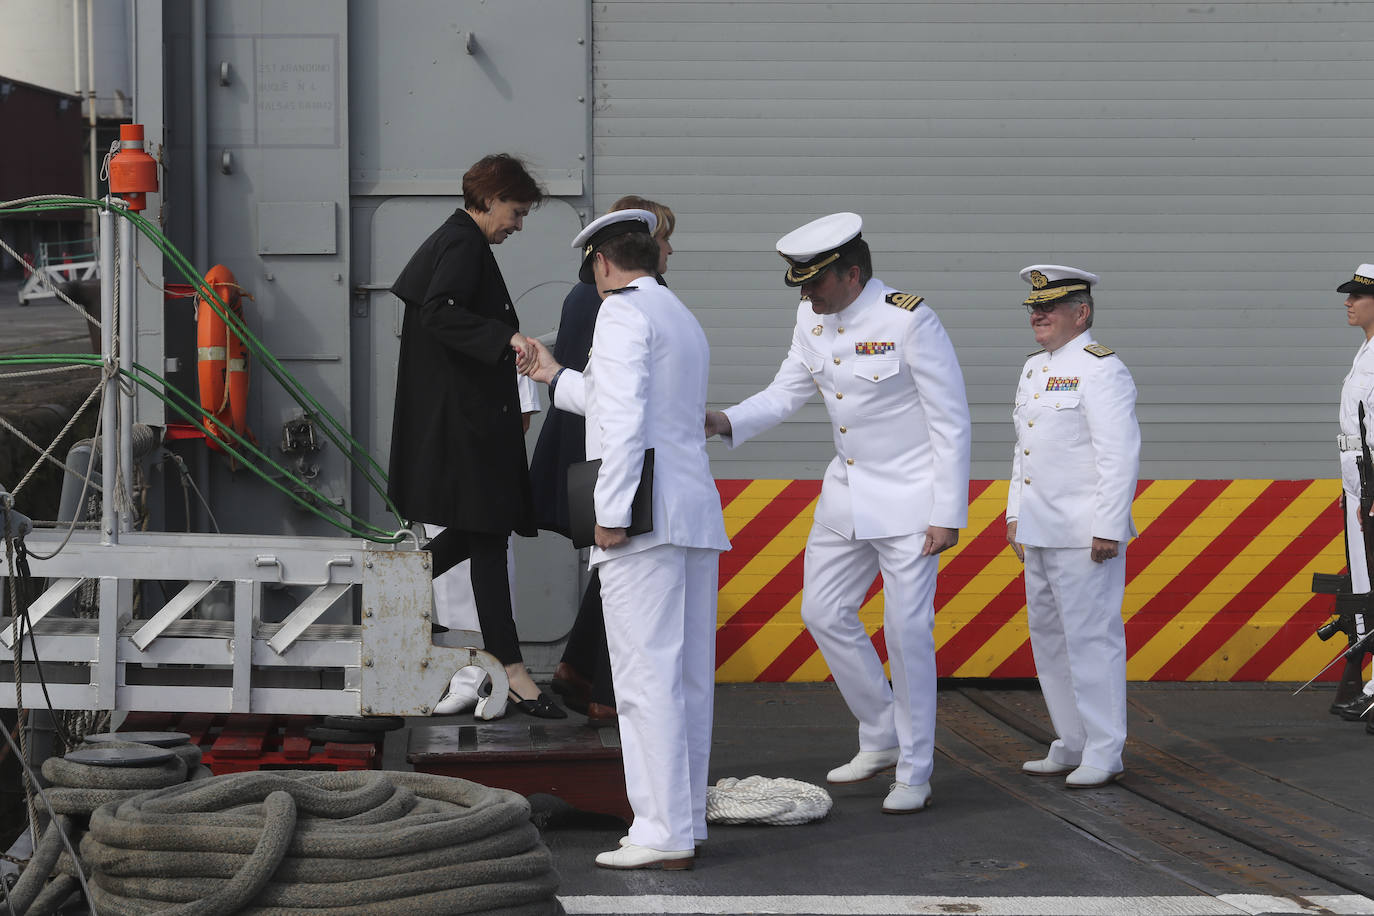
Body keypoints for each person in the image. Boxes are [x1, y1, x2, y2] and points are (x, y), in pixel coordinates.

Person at [705, 212, 971, 815]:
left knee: (907, 636)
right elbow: (787, 390)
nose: (805, 293)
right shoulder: (811, 318)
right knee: (822, 611)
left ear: (851, 274)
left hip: (911, 504)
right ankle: (880, 733)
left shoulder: (909, 320)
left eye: (814, 281)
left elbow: (950, 420)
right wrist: (726, 420)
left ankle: (915, 768)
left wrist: (947, 511)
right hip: (846, 497)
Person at [522, 209, 729, 870]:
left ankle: (659, 831)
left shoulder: (619, 313)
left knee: (644, 679)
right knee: (687, 678)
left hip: (644, 518)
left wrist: (609, 511)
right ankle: (685, 820)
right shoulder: (675, 313)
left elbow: (621, 418)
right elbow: (621, 398)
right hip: (692, 515)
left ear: (600, 263)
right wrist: (553, 374)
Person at [387, 152, 563, 719]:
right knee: (486, 534)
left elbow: (437, 314)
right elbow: (440, 313)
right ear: (488, 199)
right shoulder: (463, 243)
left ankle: (386, 597)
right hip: (465, 430)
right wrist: (507, 338)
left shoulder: (456, 239)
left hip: (459, 426)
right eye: (516, 211)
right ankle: (511, 670)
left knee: (481, 535)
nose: (518, 223)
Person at [530, 195, 677, 725]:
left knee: (611, 575)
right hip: (610, 464)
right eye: (664, 240)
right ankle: (609, 696)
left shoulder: (589, 297)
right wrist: (611, 508)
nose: (669, 252)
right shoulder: (623, 302)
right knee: (630, 585)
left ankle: (576, 670)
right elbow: (618, 406)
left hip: (590, 459)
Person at [1005, 264, 1140, 788]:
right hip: (1039, 529)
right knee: (1050, 640)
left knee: (1091, 639)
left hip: (1085, 534)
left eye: (1050, 307)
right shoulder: (1035, 369)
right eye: (1035, 308)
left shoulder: (1102, 368)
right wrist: (1015, 512)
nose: (1038, 315)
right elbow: (1026, 449)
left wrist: (1108, 525)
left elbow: (1118, 454)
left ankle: (1105, 751)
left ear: (1080, 313)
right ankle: (1072, 741)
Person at [432, 375, 542, 717]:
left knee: (490, 578)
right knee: (446, 584)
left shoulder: (505, 343)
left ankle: (492, 676)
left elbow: (520, 419)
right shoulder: (433, 342)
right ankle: (462, 679)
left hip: (485, 470)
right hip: (442, 470)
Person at [1329, 264, 1374, 727]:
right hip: (1359, 484)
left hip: (1372, 486)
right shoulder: (1366, 352)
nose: (1349, 302)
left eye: (1358, 297)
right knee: (1364, 587)